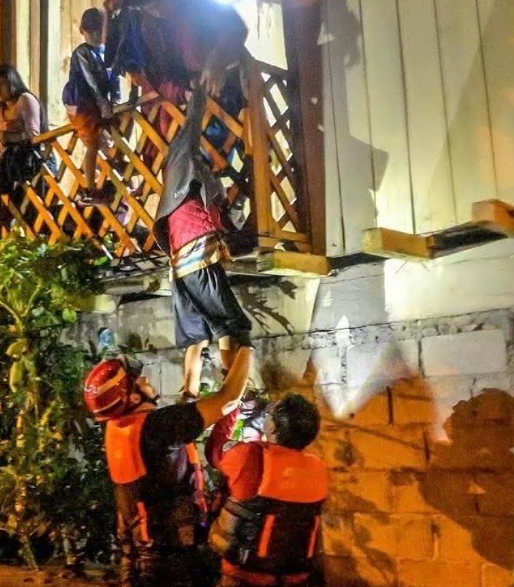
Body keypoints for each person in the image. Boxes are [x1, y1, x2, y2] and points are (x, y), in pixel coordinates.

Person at [83, 334, 254, 586]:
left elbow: (188, 406)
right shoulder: (159, 427)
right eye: (138, 381)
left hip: (146, 558)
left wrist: (196, 339)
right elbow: (229, 398)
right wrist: (245, 345)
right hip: (174, 563)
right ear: (132, 398)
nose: (146, 379)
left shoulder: (120, 428)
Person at [154, 88, 252, 403]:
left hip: (179, 268)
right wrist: (197, 98)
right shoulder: (188, 172)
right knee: (231, 327)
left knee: (198, 337)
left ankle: (188, 393)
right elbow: (190, 134)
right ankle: (236, 391)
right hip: (198, 259)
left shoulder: (171, 190)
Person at [204, 394, 329, 586]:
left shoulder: (250, 456)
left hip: (244, 577)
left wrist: (232, 407)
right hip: (296, 579)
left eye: (268, 415)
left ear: (271, 427)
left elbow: (215, 450)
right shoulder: (318, 468)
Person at [0, 64, 45, 230]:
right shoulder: (1, 108)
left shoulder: (25, 100)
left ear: (12, 82)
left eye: (1, 85)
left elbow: (34, 135)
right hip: (12, 160)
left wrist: (7, 137)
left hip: (31, 158)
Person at [64, 7, 118, 206]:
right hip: (81, 102)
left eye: (98, 31)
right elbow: (90, 80)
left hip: (99, 102)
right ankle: (89, 188)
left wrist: (114, 97)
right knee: (93, 142)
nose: (95, 36)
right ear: (82, 31)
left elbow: (112, 76)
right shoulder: (82, 53)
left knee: (113, 132)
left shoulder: (105, 52)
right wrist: (103, 101)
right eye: (90, 31)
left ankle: (115, 170)